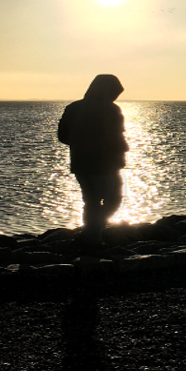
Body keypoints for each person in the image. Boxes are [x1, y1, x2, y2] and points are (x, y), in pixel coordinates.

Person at [57, 74, 129, 247]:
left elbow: (62, 136)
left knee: (91, 200)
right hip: (106, 164)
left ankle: (91, 233)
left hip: (80, 162)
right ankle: (91, 233)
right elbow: (116, 137)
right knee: (114, 199)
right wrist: (120, 151)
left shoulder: (73, 108)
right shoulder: (111, 109)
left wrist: (79, 144)